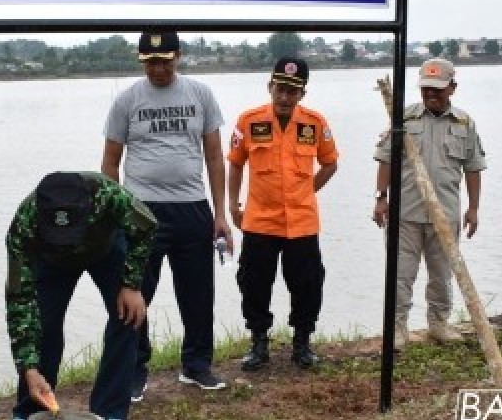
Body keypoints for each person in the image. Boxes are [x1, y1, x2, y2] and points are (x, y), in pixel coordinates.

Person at [101, 30, 232, 399]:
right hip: (142, 209)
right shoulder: (127, 100)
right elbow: (111, 163)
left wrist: (220, 214)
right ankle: (135, 367)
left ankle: (197, 364)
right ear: (141, 62)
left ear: (179, 57)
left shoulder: (201, 94)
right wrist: (118, 213)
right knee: (135, 291)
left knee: (197, 291)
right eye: (151, 63)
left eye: (165, 61)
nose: (159, 69)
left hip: (193, 206)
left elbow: (215, 158)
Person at [4, 172, 155, 420]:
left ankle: (111, 414)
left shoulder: (109, 197)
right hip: (50, 261)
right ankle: (30, 409)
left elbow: (147, 226)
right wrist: (28, 366)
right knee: (41, 323)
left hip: (106, 249)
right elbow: (19, 301)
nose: (67, 242)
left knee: (128, 316)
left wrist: (132, 284)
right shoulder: (24, 223)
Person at [227, 58, 339, 370]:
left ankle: (302, 342)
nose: (285, 96)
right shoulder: (248, 121)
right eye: (280, 89)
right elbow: (235, 163)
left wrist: (308, 190)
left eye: (292, 90)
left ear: (302, 93)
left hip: (302, 222)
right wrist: (233, 205)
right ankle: (258, 342)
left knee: (308, 283)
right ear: (269, 87)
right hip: (260, 220)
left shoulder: (314, 123)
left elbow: (330, 162)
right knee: (254, 283)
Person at [373, 58, 486, 349]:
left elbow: (473, 168)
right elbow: (386, 159)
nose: (431, 94)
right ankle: (397, 329)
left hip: (445, 215)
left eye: (437, 89)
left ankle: (438, 324)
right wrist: (380, 198)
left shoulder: (464, 123)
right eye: (425, 89)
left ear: (452, 88)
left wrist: (473, 208)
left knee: (442, 274)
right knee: (400, 275)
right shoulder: (404, 119)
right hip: (405, 213)